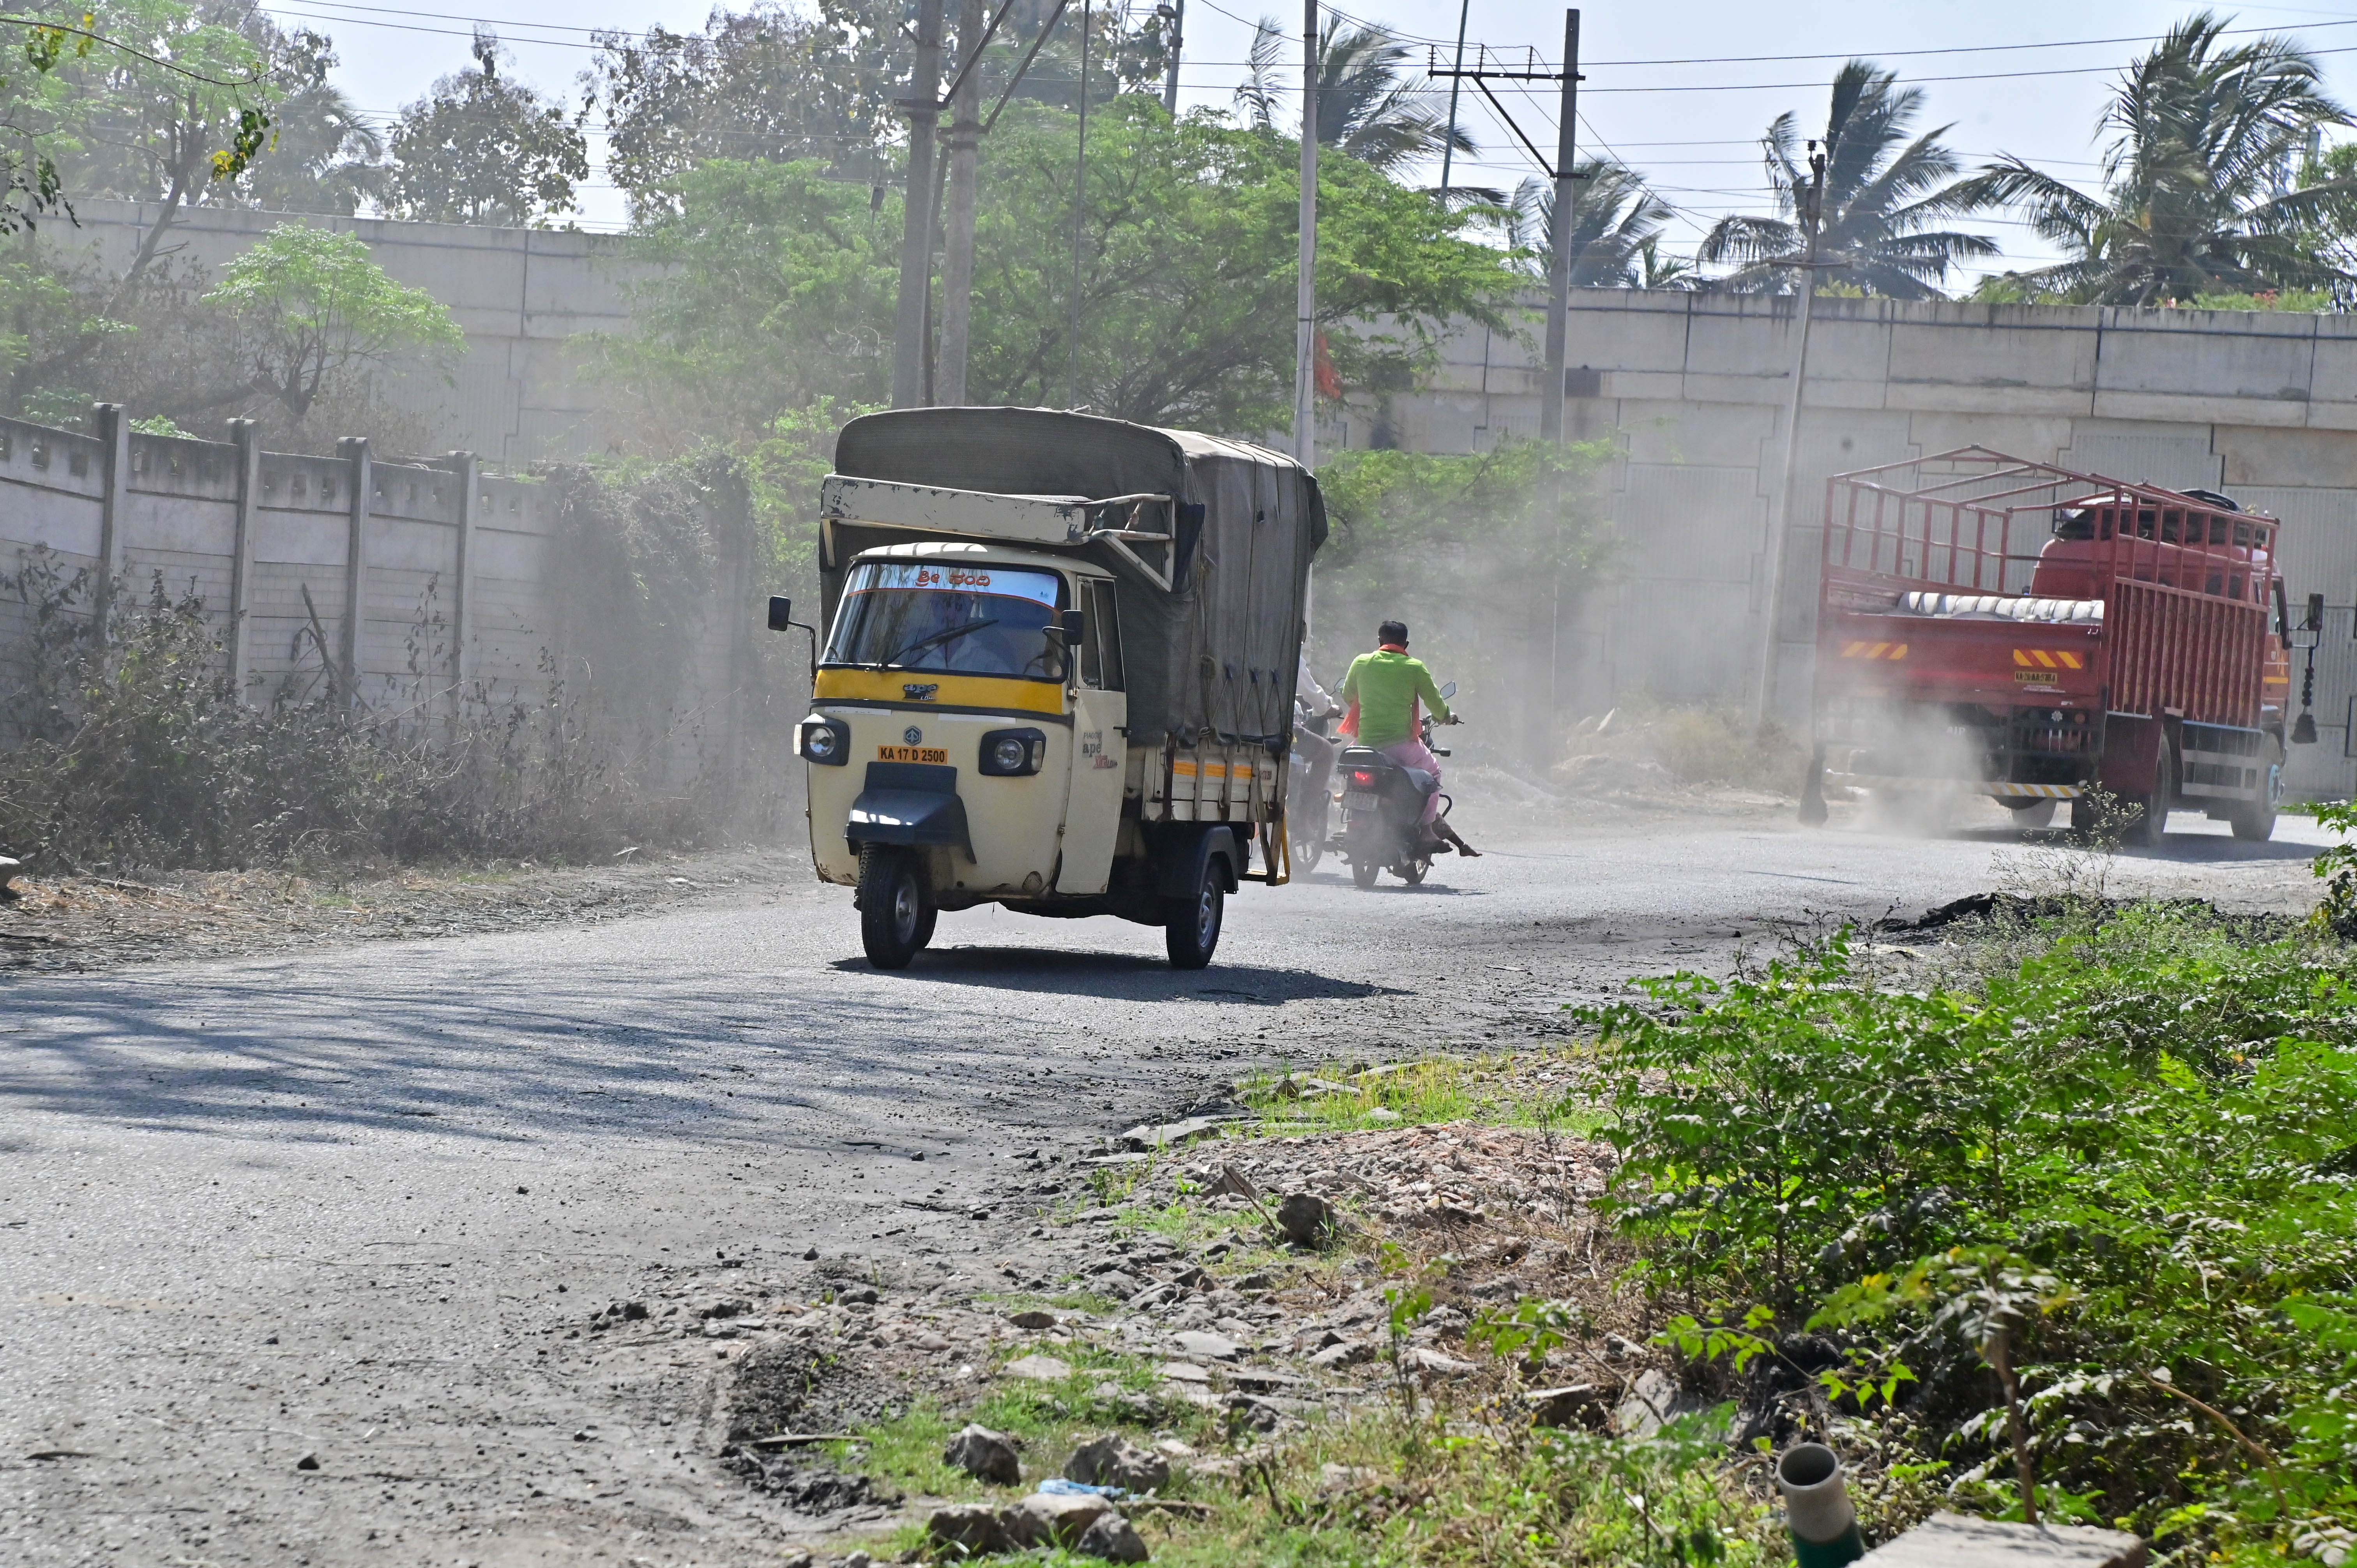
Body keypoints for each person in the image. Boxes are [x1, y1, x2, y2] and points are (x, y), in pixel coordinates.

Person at [1338, 620, 1480, 857]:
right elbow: (1435, 703)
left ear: (1379, 642)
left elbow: (1348, 695)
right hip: (1400, 747)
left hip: (1364, 744)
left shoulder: (1361, 662)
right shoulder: (1414, 667)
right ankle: (1426, 831)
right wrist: (1447, 716)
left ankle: (1351, 814)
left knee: (1351, 768)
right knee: (1433, 773)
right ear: (1406, 644)